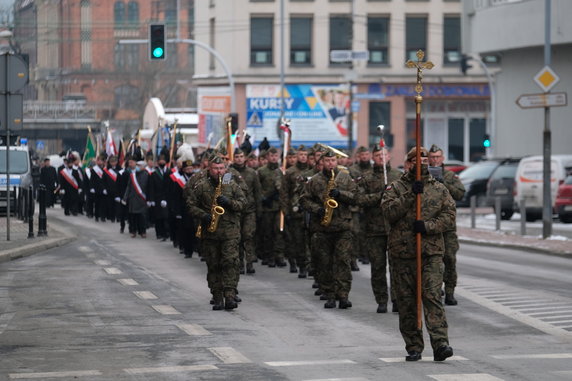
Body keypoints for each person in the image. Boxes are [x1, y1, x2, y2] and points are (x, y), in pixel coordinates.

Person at [381, 147, 455, 362]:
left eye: (425, 159)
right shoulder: (395, 187)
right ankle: (414, 345)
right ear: (409, 163)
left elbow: (449, 216)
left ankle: (440, 343)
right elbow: (389, 213)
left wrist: (428, 226)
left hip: (430, 252)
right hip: (403, 254)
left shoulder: (439, 189)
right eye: (417, 159)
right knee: (407, 301)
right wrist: (410, 194)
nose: (422, 162)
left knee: (432, 296)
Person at [186, 156, 246, 310]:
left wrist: (230, 203)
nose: (219, 172)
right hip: (210, 233)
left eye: (221, 168)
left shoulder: (231, 185)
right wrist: (203, 215)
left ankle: (230, 296)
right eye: (215, 168)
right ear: (209, 169)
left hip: (230, 232)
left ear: (225, 169)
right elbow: (190, 205)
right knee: (214, 264)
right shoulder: (201, 186)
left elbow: (243, 203)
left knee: (231, 263)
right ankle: (217, 296)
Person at [300, 149, 358, 309]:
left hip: (342, 227)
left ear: (337, 161)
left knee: (343, 261)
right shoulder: (315, 180)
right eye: (327, 161)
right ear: (322, 163)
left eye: (333, 161)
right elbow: (303, 200)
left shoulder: (345, 178)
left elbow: (356, 197)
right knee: (324, 263)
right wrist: (317, 209)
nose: (330, 164)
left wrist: (341, 194)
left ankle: (343, 295)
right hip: (322, 228)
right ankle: (330, 294)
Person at [357, 145, 402, 313]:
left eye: (383, 155)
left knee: (396, 267)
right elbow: (359, 199)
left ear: (389, 156)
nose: (381, 158)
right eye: (377, 155)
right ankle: (381, 299)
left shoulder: (398, 176)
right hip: (374, 229)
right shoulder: (366, 178)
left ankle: (397, 299)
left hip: (394, 229)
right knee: (377, 267)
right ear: (372, 158)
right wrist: (379, 196)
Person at [428, 144, 465, 306]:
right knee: (432, 262)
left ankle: (450, 292)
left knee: (449, 259)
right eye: (432, 157)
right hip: (429, 226)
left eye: (438, 157)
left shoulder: (450, 176)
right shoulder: (423, 176)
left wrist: (445, 184)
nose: (435, 160)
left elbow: (460, 194)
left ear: (442, 159)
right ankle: (435, 290)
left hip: (447, 228)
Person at [280, 145, 314, 277]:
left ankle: (310, 265)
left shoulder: (313, 171)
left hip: (310, 210)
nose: (303, 157)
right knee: (298, 241)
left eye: (305, 154)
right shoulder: (290, 172)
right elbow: (284, 193)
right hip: (295, 211)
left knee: (310, 240)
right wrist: (286, 212)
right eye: (301, 154)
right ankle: (301, 266)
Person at [230, 148, 262, 274]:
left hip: (249, 210)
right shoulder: (228, 173)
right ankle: (240, 263)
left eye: (241, 156)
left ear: (245, 158)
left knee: (248, 235)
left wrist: (259, 210)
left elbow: (257, 192)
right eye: (236, 156)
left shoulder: (252, 173)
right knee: (237, 237)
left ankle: (249, 262)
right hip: (235, 210)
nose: (239, 159)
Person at [257, 147, 286, 267]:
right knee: (267, 232)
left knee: (278, 232)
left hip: (278, 206)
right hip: (266, 207)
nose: (274, 158)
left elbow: (283, 189)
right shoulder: (261, 171)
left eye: (276, 156)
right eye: (271, 156)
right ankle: (268, 256)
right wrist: (264, 199)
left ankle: (278, 255)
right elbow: (257, 189)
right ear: (268, 157)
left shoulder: (280, 172)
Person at [348, 146, 373, 270]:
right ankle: (353, 258)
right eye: (362, 155)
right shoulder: (352, 170)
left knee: (370, 232)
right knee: (355, 233)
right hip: (356, 207)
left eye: (366, 154)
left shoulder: (374, 170)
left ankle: (367, 254)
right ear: (358, 156)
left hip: (371, 205)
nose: (364, 157)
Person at [170, 159, 195, 257]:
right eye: (187, 169)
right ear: (184, 170)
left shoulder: (196, 179)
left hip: (195, 209)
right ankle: (187, 250)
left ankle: (195, 248)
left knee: (195, 230)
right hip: (184, 210)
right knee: (185, 230)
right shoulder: (179, 181)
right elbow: (176, 198)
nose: (189, 171)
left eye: (191, 168)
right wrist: (177, 212)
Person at [122, 159, 151, 238]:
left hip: (142, 199)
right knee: (133, 217)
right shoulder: (132, 175)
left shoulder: (147, 175)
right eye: (137, 165)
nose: (137, 167)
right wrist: (125, 197)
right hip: (133, 198)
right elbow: (128, 187)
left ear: (143, 167)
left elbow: (149, 188)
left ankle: (142, 231)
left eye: (139, 166)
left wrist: (149, 199)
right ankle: (133, 231)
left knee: (142, 217)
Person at [149, 150, 171, 241]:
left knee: (166, 217)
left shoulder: (170, 173)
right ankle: (159, 233)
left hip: (166, 197)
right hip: (157, 198)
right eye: (160, 161)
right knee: (158, 217)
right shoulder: (154, 174)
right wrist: (151, 200)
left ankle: (166, 233)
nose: (162, 162)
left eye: (163, 161)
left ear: (166, 162)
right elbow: (151, 187)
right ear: (158, 162)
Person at [89, 154, 108, 222]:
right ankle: (96, 216)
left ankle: (103, 217)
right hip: (96, 189)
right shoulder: (94, 170)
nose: (100, 162)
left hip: (103, 189)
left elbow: (106, 180)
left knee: (103, 204)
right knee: (97, 204)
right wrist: (92, 188)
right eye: (99, 160)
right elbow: (92, 179)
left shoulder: (105, 169)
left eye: (101, 161)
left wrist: (106, 188)